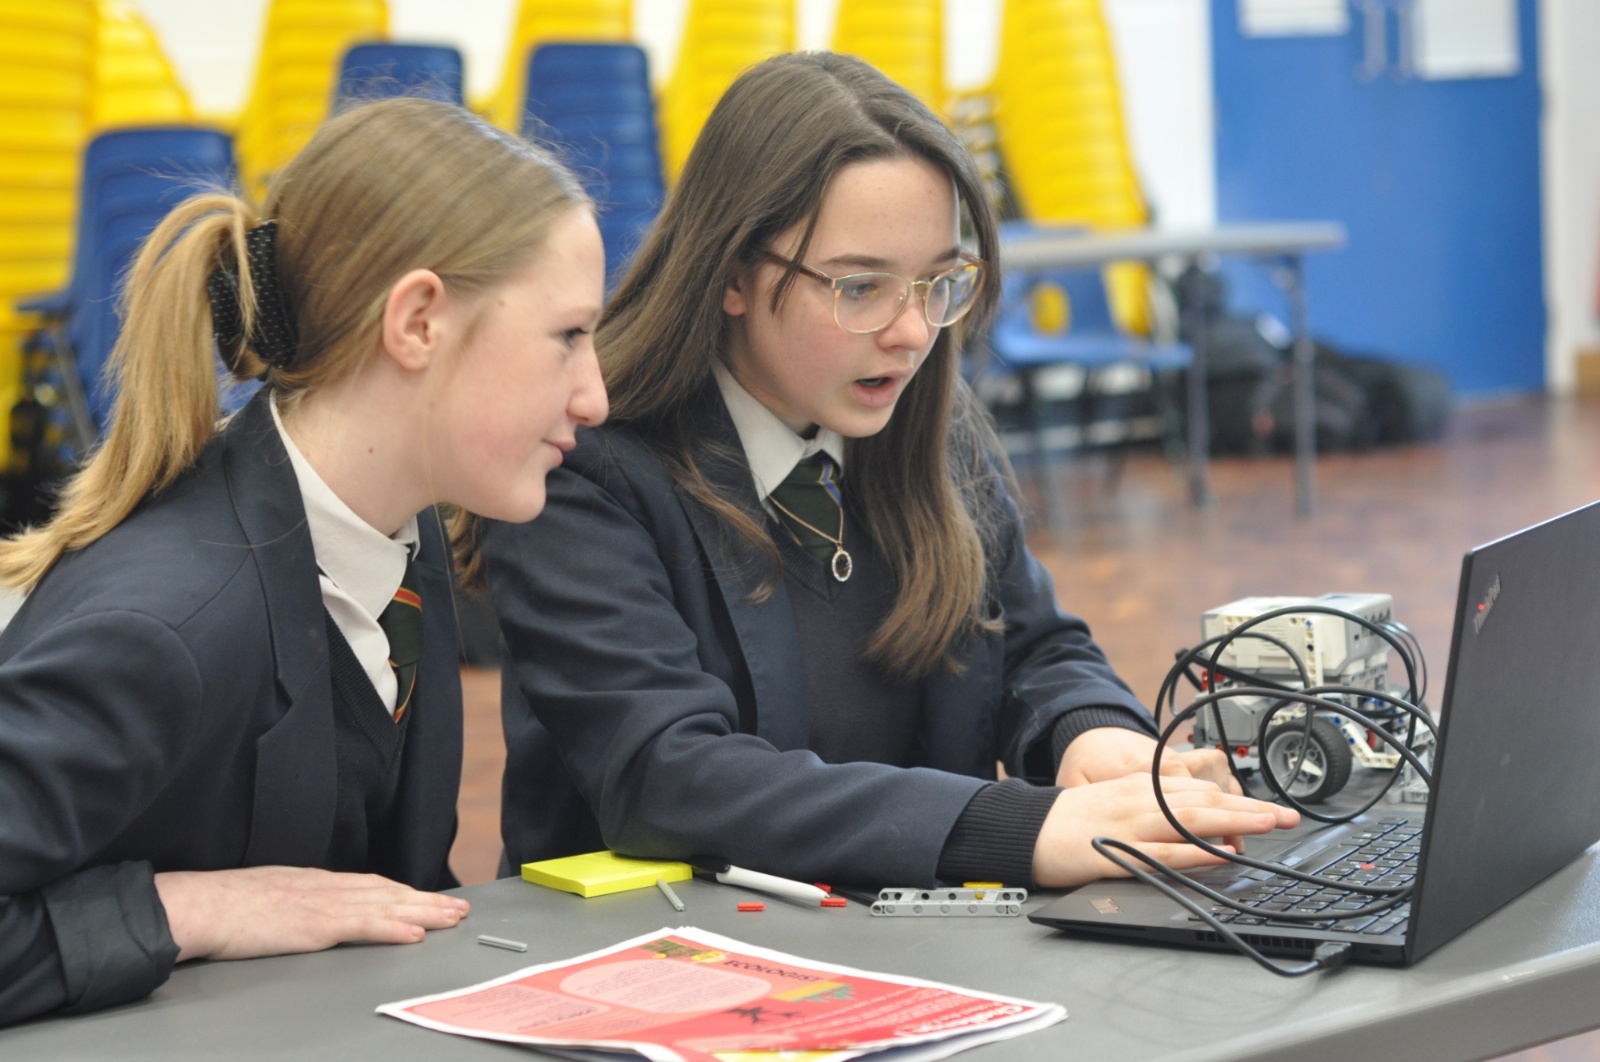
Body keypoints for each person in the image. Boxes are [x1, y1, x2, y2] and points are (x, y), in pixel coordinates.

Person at [483, 52, 1293, 891]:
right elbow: (669, 776)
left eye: (939, 281)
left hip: (907, 939)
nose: (913, 333)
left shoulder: (924, 424)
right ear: (732, 275)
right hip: (671, 948)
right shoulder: (585, 471)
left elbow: (1032, 644)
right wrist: (1013, 829)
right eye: (862, 287)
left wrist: (1090, 732)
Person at [0, 97, 607, 1026]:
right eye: (567, 336)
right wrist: (189, 908)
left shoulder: (403, 536)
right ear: (418, 322)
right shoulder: (166, 628)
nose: (595, 396)